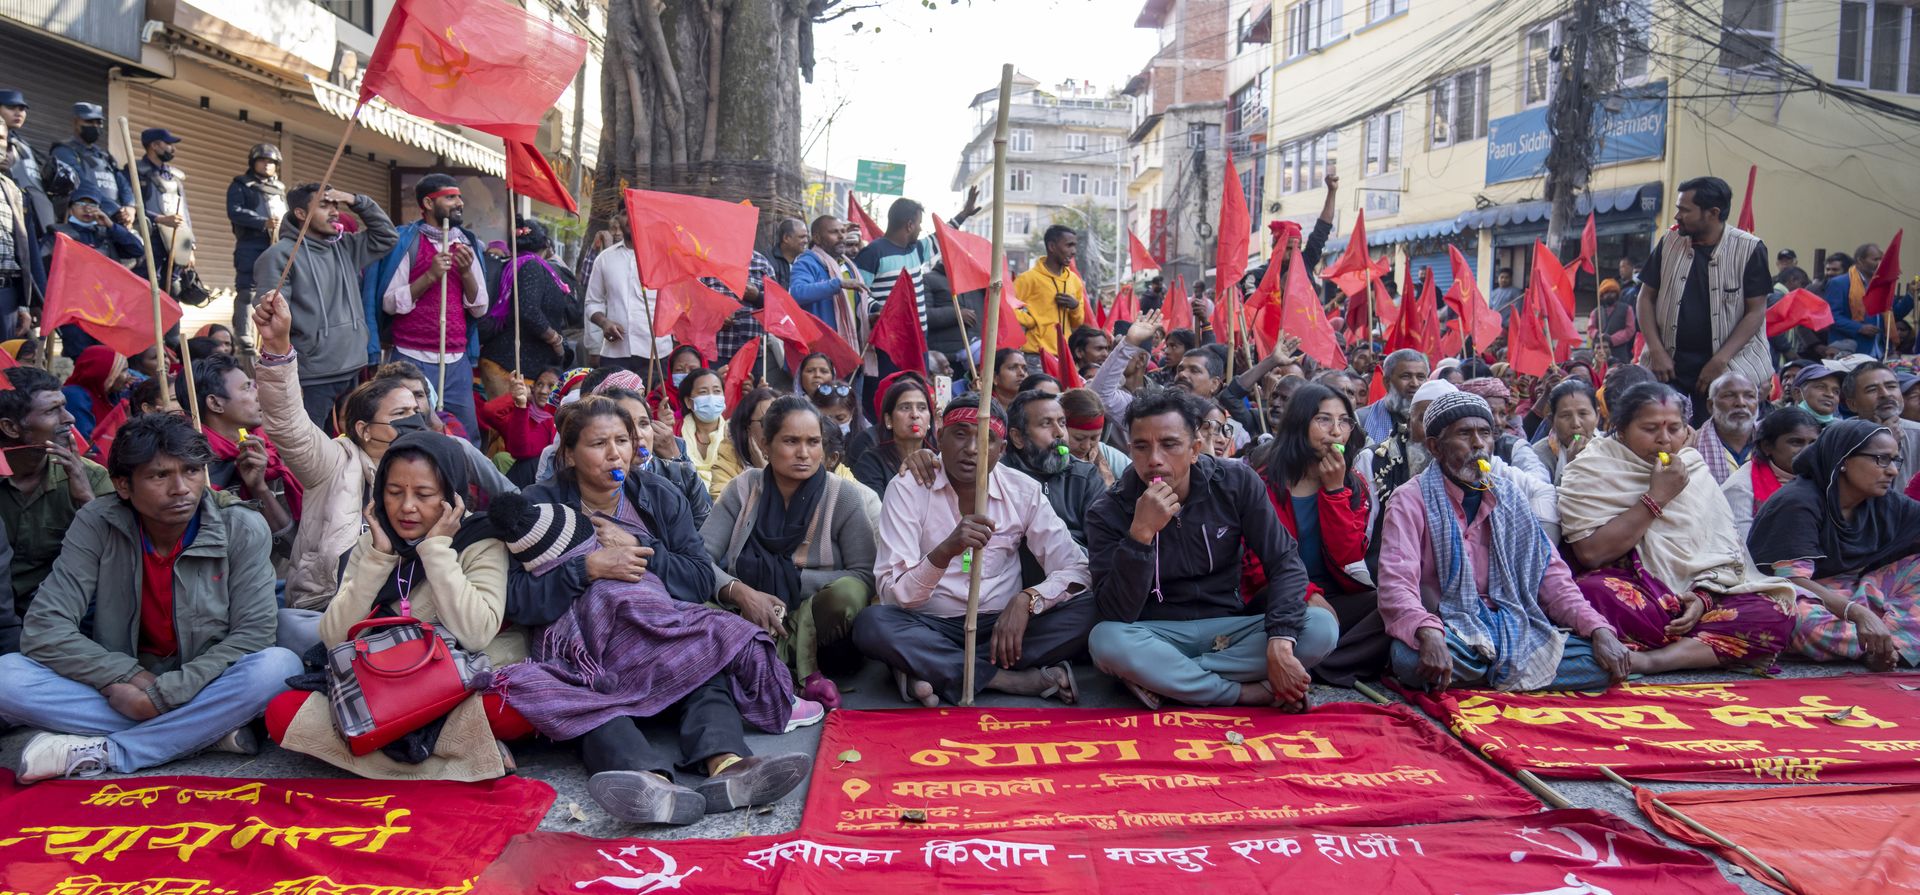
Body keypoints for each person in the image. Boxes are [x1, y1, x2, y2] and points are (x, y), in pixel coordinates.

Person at [498, 399, 817, 824]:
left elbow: (699, 577)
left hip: (659, 632)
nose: (615, 454)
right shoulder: (540, 505)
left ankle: (727, 766)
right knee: (585, 703)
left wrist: (638, 553)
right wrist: (587, 568)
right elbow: (516, 596)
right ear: (569, 455)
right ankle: (646, 783)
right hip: (589, 649)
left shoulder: (659, 496)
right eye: (599, 444)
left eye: (622, 441)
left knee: (707, 665)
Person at [0, 413, 299, 781]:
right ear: (122, 485)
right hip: (127, 684)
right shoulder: (97, 521)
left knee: (279, 667)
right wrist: (124, 676)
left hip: (205, 680)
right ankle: (203, 733)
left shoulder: (240, 525)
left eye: (191, 471)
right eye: (160, 476)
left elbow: (253, 634)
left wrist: (162, 697)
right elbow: (45, 627)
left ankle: (110, 751)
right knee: (6, 676)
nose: (182, 489)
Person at [267, 429, 522, 779]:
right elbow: (333, 636)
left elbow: (476, 632)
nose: (406, 507)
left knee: (514, 707)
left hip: (449, 687)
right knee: (284, 713)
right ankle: (457, 760)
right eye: (394, 492)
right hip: (380, 682)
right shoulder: (375, 542)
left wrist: (436, 551)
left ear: (453, 497)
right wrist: (377, 559)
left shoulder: (481, 542)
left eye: (424, 494)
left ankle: (383, 750)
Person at [250, 290, 508, 626]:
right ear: (365, 429)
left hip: (412, 614)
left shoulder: (443, 458)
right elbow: (288, 423)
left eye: (417, 410)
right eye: (401, 413)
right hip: (328, 607)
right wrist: (278, 350)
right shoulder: (333, 462)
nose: (413, 421)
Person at [1085, 388, 1337, 710]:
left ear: (1195, 449)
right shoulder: (1108, 509)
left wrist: (1279, 643)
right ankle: (1243, 693)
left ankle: (1169, 680)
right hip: (1157, 634)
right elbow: (1115, 612)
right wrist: (1141, 534)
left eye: (1170, 444)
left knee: (1321, 627)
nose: (1154, 460)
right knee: (1106, 641)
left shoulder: (1235, 482)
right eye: (1141, 447)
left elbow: (1285, 561)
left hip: (1231, 628)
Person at [1378, 391, 1631, 692]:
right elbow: (1396, 584)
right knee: (1408, 658)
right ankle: (1516, 674)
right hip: (1450, 625)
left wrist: (1597, 627)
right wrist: (1428, 633)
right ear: (1435, 447)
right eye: (1464, 434)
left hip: (1511, 623)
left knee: (1596, 660)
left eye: (1485, 434)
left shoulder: (1510, 497)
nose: (1478, 444)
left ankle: (1484, 674)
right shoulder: (1409, 500)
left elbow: (1551, 576)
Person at [855, 400, 1093, 707]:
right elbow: (893, 594)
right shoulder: (907, 487)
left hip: (1004, 629)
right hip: (930, 625)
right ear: (939, 437)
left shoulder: (1022, 491)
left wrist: (1028, 600)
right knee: (872, 624)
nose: (971, 448)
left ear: (1002, 448)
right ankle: (1005, 680)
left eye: (985, 438)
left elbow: (1076, 568)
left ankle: (931, 668)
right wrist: (943, 553)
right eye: (960, 434)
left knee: (1093, 606)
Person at [1559, 382, 1796, 674]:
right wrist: (1656, 498)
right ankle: (1705, 648)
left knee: (1775, 611)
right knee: (1592, 594)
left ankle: (1650, 660)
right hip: (1637, 591)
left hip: (1697, 598)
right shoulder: (1591, 468)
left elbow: (1722, 551)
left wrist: (1703, 596)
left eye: (1674, 428)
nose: (1664, 440)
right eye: (1650, 429)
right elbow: (1591, 554)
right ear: (1620, 429)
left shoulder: (1692, 466)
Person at [704, 397, 877, 708]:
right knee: (695, 602)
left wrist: (793, 580)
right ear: (765, 444)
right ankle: (793, 672)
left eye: (813, 442)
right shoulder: (743, 489)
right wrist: (742, 593)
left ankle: (765, 663)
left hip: (814, 616)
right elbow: (699, 558)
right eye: (790, 441)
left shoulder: (843, 495)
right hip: (744, 611)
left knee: (848, 593)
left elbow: (864, 575)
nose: (803, 453)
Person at [1749, 419, 1920, 670]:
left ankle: (1883, 644)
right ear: (1843, 461)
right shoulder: (1797, 502)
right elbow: (1792, 584)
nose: (1893, 470)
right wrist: (1859, 614)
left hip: (1863, 592)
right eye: (1881, 459)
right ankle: (1883, 647)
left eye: (1895, 460)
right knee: (1791, 617)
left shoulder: (1885, 502)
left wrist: (1864, 612)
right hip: (1805, 597)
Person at [1246, 382, 1382, 684]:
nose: (1336, 431)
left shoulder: (1353, 485)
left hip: (1333, 595)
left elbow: (1349, 558)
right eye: (1323, 419)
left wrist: (1334, 491)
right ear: (1299, 423)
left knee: (1391, 605)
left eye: (1344, 421)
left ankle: (1318, 665)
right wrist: (1305, 593)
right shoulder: (1263, 482)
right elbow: (1254, 565)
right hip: (1276, 593)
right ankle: (1333, 661)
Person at [257, 183, 398, 428]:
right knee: (312, 450)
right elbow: (273, 319)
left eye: (336, 205)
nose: (335, 211)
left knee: (352, 445)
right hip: (313, 376)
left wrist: (356, 200)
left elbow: (387, 236)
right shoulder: (279, 256)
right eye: (324, 205)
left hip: (353, 366)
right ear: (301, 214)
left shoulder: (346, 247)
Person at [1637, 176, 1774, 424]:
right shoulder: (1669, 241)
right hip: (1667, 366)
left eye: (1684, 210)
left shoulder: (1750, 248)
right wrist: (1656, 350)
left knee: (1724, 441)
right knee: (1663, 433)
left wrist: (1720, 360)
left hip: (1730, 366)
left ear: (1712, 213)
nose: (1677, 216)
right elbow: (1645, 298)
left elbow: (1756, 312)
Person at [372, 174, 488, 442]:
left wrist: (467, 272)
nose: (459, 202)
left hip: (456, 360)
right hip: (410, 359)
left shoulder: (468, 243)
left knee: (465, 435)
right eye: (450, 197)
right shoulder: (407, 242)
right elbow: (389, 303)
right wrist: (430, 276)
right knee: (408, 430)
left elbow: (480, 308)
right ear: (427, 202)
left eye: (459, 196)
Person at [0, 366, 111, 628]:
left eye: (64, 406)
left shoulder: (90, 476)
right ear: (10, 427)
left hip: (61, 616)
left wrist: (85, 499)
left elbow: (119, 557)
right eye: (52, 411)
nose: (69, 418)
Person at [186, 354, 297, 542]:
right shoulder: (194, 467)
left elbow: (291, 546)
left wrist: (259, 487)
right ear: (215, 403)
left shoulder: (264, 452)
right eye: (247, 388)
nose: (258, 394)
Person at [853, 192, 981, 348]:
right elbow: (858, 292)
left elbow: (942, 236)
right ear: (909, 225)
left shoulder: (916, 250)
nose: (921, 229)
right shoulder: (873, 253)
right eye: (919, 223)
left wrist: (964, 214)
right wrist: (881, 310)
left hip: (919, 338)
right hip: (890, 340)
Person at [480, 219, 578, 391]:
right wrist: (555, 340)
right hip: (511, 368)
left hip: (515, 365)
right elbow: (528, 311)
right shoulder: (530, 265)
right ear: (546, 244)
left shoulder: (517, 264)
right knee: (514, 418)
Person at [999, 389, 1103, 549]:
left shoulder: (1085, 476)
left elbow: (1102, 543)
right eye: (1046, 424)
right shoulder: (999, 478)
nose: (1060, 433)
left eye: (1062, 423)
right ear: (1018, 437)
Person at [584, 205, 672, 377]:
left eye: (638, 212)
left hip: (657, 352)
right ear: (618, 218)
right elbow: (592, 302)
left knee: (654, 402)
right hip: (615, 353)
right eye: (626, 213)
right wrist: (604, 323)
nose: (631, 217)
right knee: (614, 403)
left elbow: (679, 301)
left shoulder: (664, 258)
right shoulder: (605, 259)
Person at [1722, 407, 1819, 541]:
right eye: (1796, 442)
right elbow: (1744, 548)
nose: (1808, 451)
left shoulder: (1823, 479)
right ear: (1767, 446)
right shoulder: (1740, 488)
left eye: (1813, 443)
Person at [225, 143, 285, 348]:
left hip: (276, 246)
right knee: (247, 291)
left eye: (272, 162)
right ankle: (244, 334)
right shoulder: (241, 185)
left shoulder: (279, 189)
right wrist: (262, 222)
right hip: (250, 244)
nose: (267, 165)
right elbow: (234, 211)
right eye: (263, 160)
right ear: (254, 162)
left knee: (275, 292)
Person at [788, 215, 870, 348]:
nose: (841, 236)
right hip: (818, 350)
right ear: (817, 238)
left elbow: (859, 299)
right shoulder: (806, 262)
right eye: (834, 232)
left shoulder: (848, 265)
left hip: (847, 347)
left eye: (843, 231)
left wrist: (874, 313)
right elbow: (797, 293)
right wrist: (838, 284)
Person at [2, 89, 70, 244]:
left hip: (34, 221)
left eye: (22, 109)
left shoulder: (24, 145)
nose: (18, 113)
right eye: (11, 108)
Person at [850, 376, 934, 499]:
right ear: (888, 420)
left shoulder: (938, 458)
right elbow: (876, 512)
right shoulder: (871, 462)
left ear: (929, 420)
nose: (915, 415)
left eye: (922, 408)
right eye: (905, 408)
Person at [1842, 360, 1920, 491]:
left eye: (1891, 386)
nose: (1885, 394)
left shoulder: (1917, 434)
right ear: (1852, 404)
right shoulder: (1838, 437)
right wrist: (1884, 442)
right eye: (1872, 389)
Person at [47, 102, 132, 220]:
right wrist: (115, 210)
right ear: (76, 122)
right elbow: (80, 182)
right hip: (86, 218)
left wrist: (129, 207)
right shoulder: (64, 150)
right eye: (89, 122)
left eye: (98, 123)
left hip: (114, 219)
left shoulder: (104, 155)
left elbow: (123, 184)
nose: (95, 126)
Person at [1014, 225, 1086, 358]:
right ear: (1052, 247)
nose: (1074, 251)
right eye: (1069, 245)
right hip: (1036, 355)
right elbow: (1007, 308)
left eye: (1075, 246)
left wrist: (1075, 306)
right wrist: (1031, 321)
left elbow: (1077, 323)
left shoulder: (1074, 280)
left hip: (1065, 356)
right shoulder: (1028, 278)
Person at [135, 128, 192, 283]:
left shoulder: (174, 176)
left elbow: (184, 212)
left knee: (174, 287)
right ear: (154, 145)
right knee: (148, 287)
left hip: (177, 239)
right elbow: (131, 206)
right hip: (150, 238)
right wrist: (159, 219)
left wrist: (190, 247)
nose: (173, 149)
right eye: (168, 144)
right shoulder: (135, 171)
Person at [479, 372, 557, 486]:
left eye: (551, 386)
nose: (543, 391)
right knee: (502, 458)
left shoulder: (562, 417)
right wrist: (515, 397)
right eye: (540, 384)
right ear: (532, 388)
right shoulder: (520, 411)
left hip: (552, 479)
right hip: (524, 477)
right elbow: (489, 412)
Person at [677, 367, 740, 500]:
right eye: (703, 392)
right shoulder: (674, 431)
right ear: (689, 402)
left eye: (717, 391)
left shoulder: (736, 433)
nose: (711, 397)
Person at [55, 185, 145, 274]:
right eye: (81, 204)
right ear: (70, 209)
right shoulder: (59, 235)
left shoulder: (106, 236)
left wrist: (111, 225)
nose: (87, 209)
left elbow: (137, 250)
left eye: (93, 205)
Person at [1825, 242, 1893, 356]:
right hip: (1850, 351)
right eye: (1875, 259)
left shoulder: (1880, 285)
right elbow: (1832, 317)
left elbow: (1893, 315)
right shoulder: (1839, 283)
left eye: (1881, 259)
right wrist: (1859, 328)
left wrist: (1911, 296)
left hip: (1879, 351)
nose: (1880, 263)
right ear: (1860, 261)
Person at [1693, 371, 1760, 485]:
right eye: (1729, 395)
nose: (1741, 403)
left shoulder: (1771, 442)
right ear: (1710, 405)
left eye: (1749, 396)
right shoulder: (1693, 444)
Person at [1533, 377, 1600, 485]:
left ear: (1597, 416)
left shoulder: (1610, 448)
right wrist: (1572, 467)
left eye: (1583, 414)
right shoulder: (1538, 455)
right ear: (1552, 421)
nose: (1576, 424)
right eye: (1565, 416)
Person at [1060, 386, 1130, 487]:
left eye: (1094, 438)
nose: (1086, 446)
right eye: (1079, 438)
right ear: (1061, 428)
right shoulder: (1049, 460)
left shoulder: (1105, 453)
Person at [1359, 348, 1430, 445]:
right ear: (1387, 382)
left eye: (1420, 377)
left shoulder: (1436, 418)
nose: (1415, 383)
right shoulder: (1361, 419)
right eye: (1406, 376)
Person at [62, 345, 127, 441]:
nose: (128, 376)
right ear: (104, 373)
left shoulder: (109, 394)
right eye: (123, 370)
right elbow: (85, 444)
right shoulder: (75, 396)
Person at [1589, 279, 1636, 365]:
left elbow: (1630, 330)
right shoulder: (1596, 311)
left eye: (1612, 292)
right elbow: (1590, 329)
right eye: (1606, 293)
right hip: (1599, 353)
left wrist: (1612, 339)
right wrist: (1598, 335)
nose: (1609, 295)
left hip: (1619, 352)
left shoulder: (1627, 309)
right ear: (1602, 296)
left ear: (1617, 294)